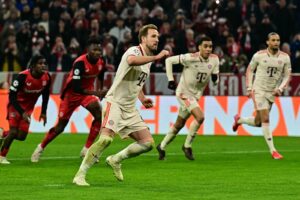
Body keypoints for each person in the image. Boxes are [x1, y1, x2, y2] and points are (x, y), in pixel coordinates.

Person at [73, 24, 169, 186]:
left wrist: (142, 98)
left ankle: (116, 159)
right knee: (105, 140)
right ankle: (80, 175)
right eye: (153, 36)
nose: (157, 39)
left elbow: (135, 82)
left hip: (130, 108)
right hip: (115, 102)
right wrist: (157, 57)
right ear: (143, 38)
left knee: (147, 143)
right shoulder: (134, 51)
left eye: (158, 37)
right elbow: (131, 61)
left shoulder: (147, 60)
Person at [31, 36, 107, 162]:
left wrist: (101, 88)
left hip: (86, 94)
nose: (97, 53)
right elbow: (76, 87)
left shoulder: (101, 61)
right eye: (94, 50)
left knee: (99, 114)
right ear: (88, 49)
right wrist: (96, 92)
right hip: (71, 95)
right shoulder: (80, 63)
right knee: (60, 127)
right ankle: (40, 148)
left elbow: (101, 74)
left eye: (99, 50)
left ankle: (87, 150)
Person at [156, 36, 220, 161]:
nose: (208, 49)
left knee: (179, 124)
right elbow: (168, 60)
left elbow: (216, 80)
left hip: (196, 96)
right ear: (199, 47)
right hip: (184, 93)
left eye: (210, 46)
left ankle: (162, 146)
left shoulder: (215, 59)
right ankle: (187, 146)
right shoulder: (190, 58)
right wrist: (170, 79)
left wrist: (215, 80)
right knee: (200, 117)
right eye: (205, 46)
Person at [232, 32, 291, 159]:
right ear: (268, 42)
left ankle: (240, 120)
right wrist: (249, 88)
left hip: (271, 92)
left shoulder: (285, 57)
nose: (276, 42)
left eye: (278, 40)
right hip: (258, 90)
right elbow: (250, 70)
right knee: (265, 118)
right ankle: (273, 151)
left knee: (259, 122)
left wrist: (280, 88)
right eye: (273, 40)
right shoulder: (259, 55)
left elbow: (287, 75)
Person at [0, 55, 51, 164]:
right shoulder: (22, 77)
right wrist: (21, 112)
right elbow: (12, 95)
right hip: (15, 106)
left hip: (28, 109)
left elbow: (46, 95)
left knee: (21, 136)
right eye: (40, 63)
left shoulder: (47, 77)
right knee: (13, 132)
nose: (43, 66)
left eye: (44, 63)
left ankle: (3, 134)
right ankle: (2, 156)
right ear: (33, 66)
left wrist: (43, 112)